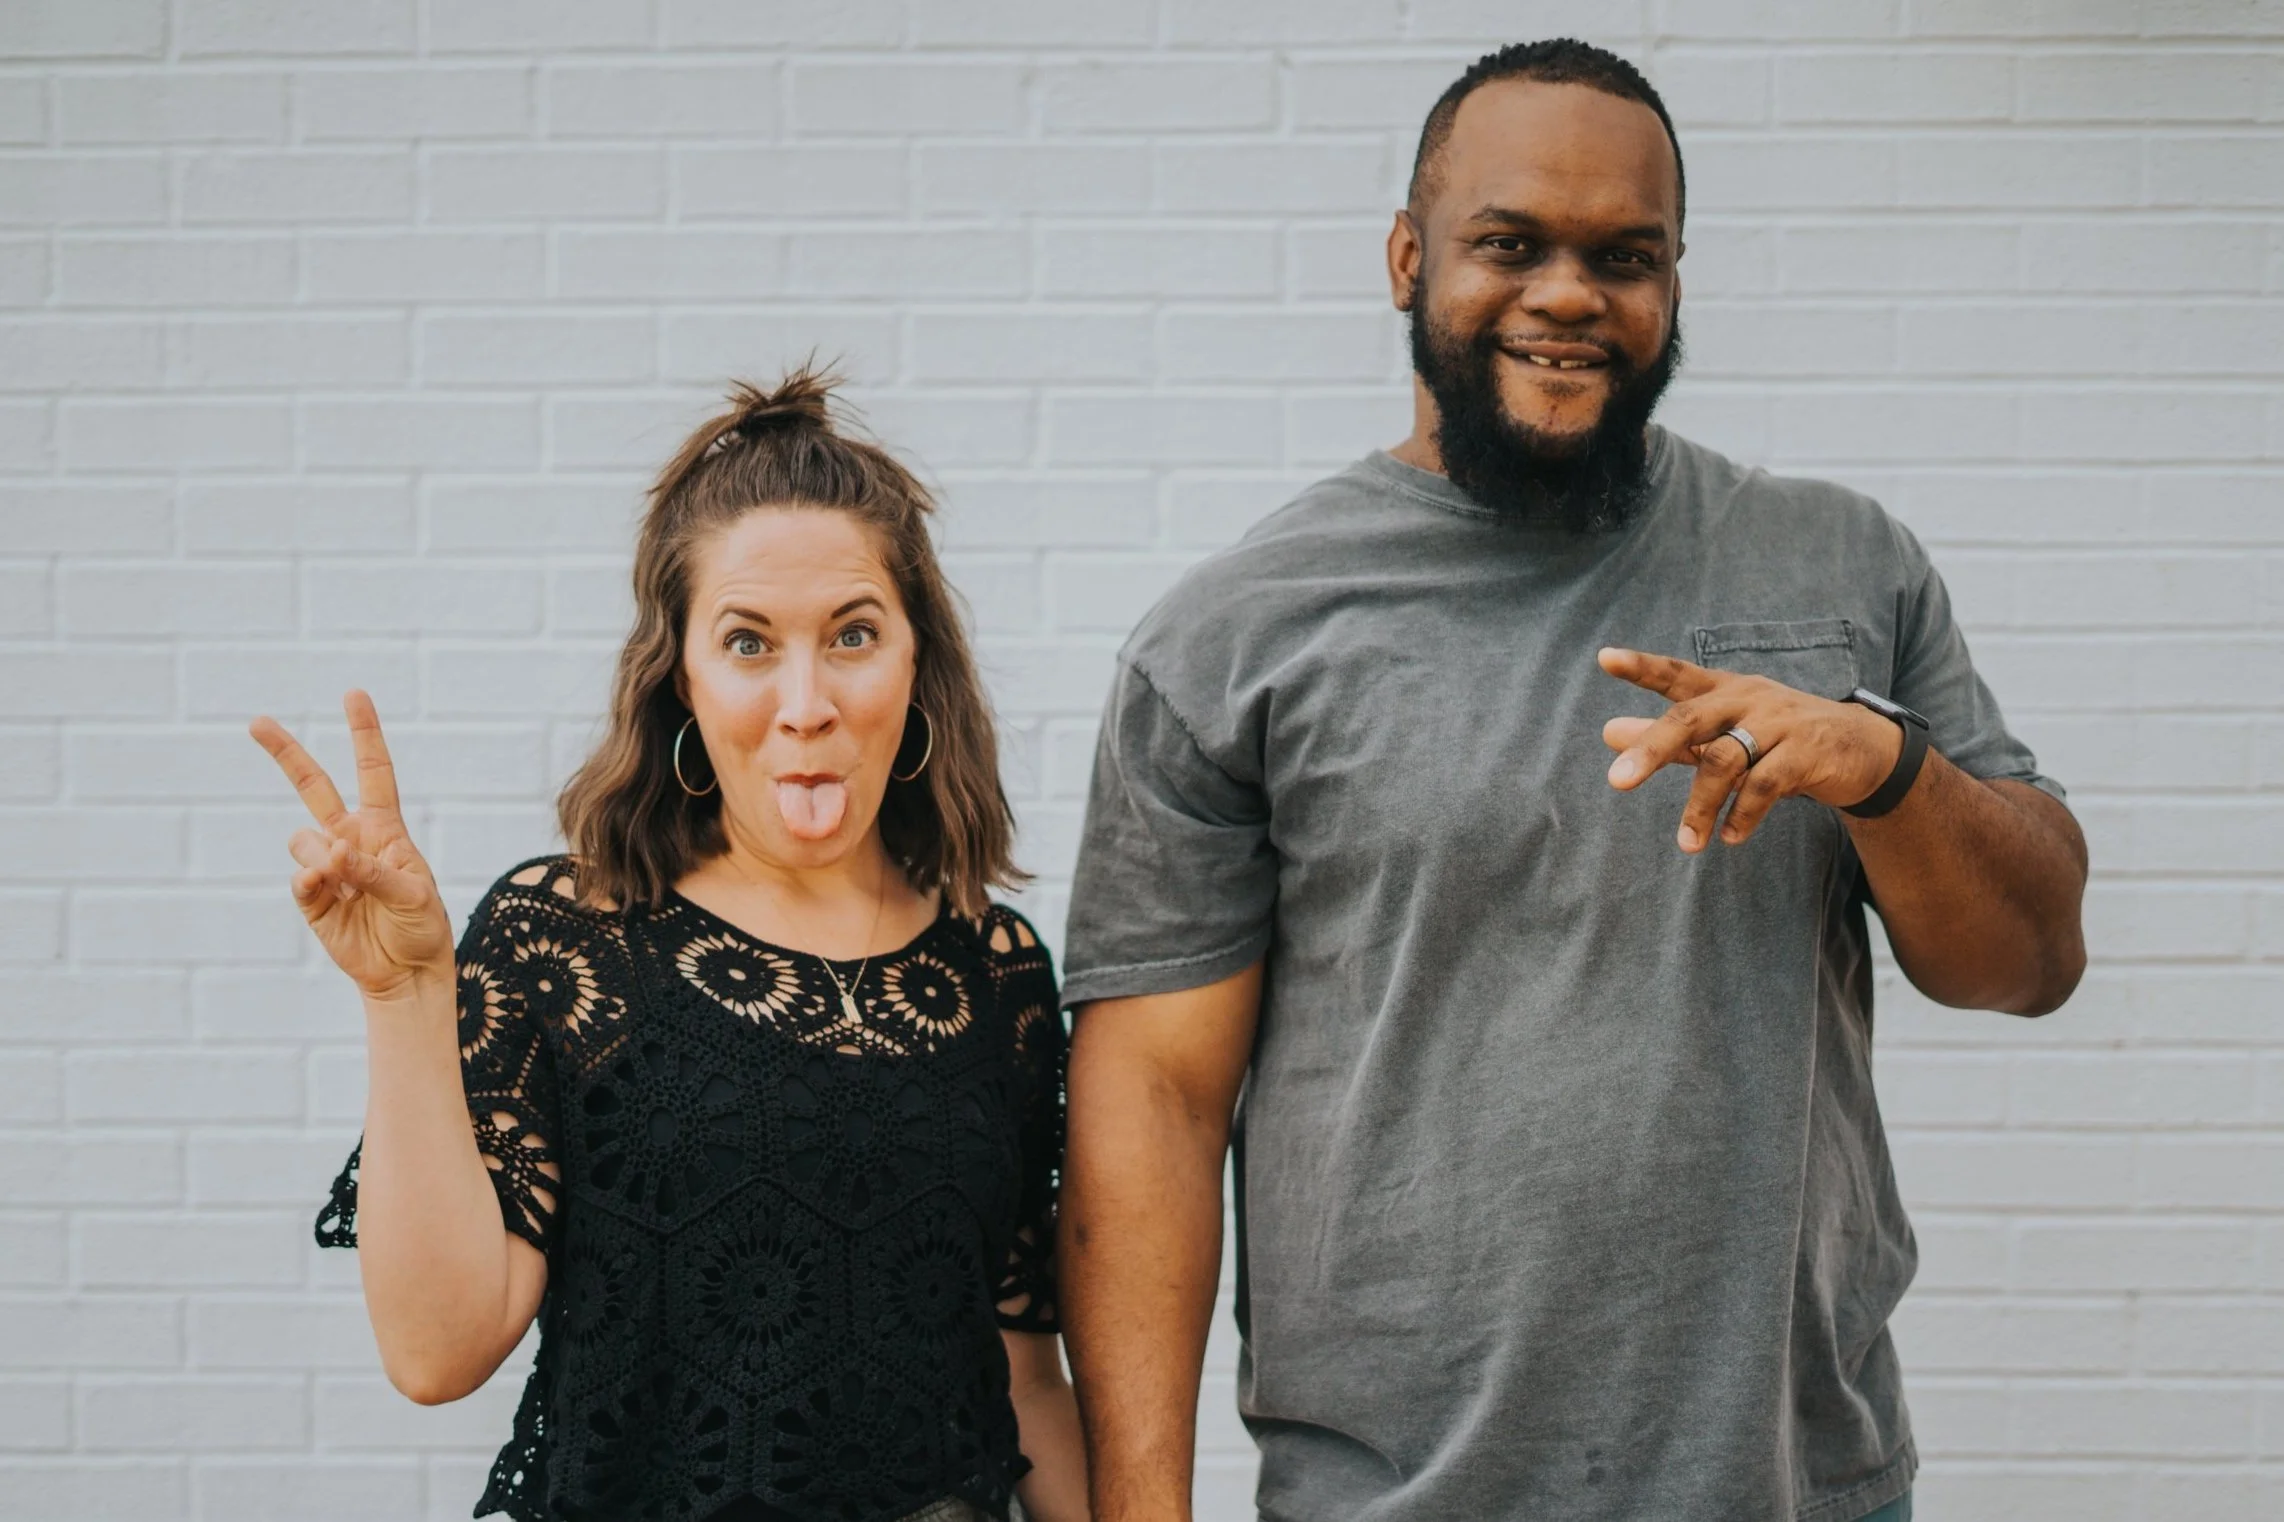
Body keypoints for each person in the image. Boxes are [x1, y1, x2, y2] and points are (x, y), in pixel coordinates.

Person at [1056, 39, 2086, 1522]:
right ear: (1408, 256)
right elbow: (1152, 1099)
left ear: (1675, 281)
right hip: (1391, 1494)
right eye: (1510, 244)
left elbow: (2032, 961)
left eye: (1625, 255)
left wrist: (1886, 770)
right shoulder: (1235, 638)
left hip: (1801, 1484)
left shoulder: (1841, 566)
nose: (1567, 294)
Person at [251, 370, 1087, 1522]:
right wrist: (403, 992)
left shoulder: (994, 975)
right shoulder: (568, 941)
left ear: (914, 662)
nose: (805, 702)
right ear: (681, 679)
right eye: (749, 643)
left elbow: (1026, 1378)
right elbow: (436, 1352)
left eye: (852, 633)